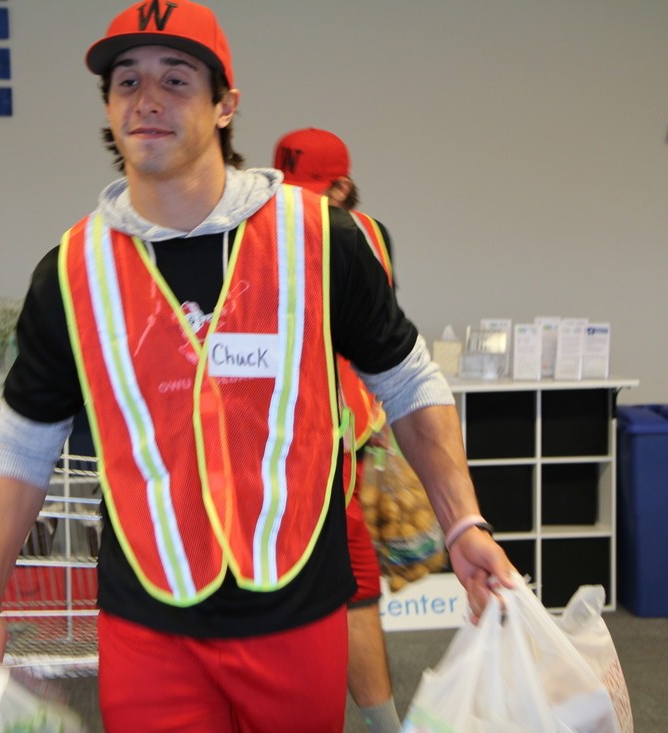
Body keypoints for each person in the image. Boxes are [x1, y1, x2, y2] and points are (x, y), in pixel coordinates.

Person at [0, 2, 514, 731]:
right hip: (147, 624)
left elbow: (408, 380)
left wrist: (462, 522)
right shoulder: (72, 271)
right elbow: (21, 442)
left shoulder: (320, 239)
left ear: (225, 105)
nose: (147, 99)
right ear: (109, 107)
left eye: (176, 79)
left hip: (297, 614)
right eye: (127, 81)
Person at [273, 127, 400, 733]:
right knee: (332, 586)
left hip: (334, 440)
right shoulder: (277, 230)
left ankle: (383, 724)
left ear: (343, 188)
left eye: (312, 190)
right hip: (298, 442)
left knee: (350, 585)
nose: (298, 202)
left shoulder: (360, 239)